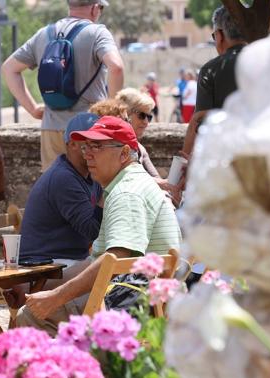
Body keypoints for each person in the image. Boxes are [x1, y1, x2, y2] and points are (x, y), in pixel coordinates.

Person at [16, 116, 181, 334]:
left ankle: (81, 367)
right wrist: (53, 289)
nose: (88, 153)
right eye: (87, 147)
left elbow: (117, 257)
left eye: (97, 146)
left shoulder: (126, 193)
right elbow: (105, 256)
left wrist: (56, 297)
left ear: (123, 154)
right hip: (141, 297)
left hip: (130, 302)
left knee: (29, 316)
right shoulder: (129, 183)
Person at [1, 0, 124, 171]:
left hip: (51, 127)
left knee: (55, 189)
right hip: (89, 128)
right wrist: (113, 112)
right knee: (91, 190)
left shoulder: (44, 34)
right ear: (95, 8)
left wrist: (34, 109)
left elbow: (9, 69)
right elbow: (116, 68)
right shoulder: (97, 33)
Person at [18, 112, 103, 286]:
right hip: (41, 269)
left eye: (100, 144)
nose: (97, 150)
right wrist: (111, 186)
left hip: (65, 262)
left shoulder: (90, 174)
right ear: (72, 144)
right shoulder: (64, 178)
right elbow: (93, 229)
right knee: (105, 270)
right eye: (90, 144)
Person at [93, 89, 183, 206]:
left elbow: (157, 179)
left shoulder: (140, 148)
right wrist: (162, 185)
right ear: (126, 114)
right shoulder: (109, 147)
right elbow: (122, 179)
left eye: (149, 117)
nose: (146, 122)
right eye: (141, 115)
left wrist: (169, 192)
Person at [183, 5, 248, 158]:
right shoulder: (267, 62)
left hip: (224, 157)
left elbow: (199, 121)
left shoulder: (210, 70)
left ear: (219, 36)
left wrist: (186, 160)